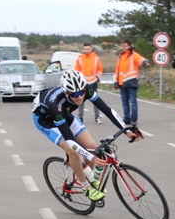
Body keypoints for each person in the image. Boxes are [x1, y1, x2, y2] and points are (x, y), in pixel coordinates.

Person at [32, 70, 142, 200]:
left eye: (81, 92)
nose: (79, 97)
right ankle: (85, 186)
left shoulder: (85, 90)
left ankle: (86, 176)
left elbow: (106, 110)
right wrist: (91, 157)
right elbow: (70, 141)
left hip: (64, 115)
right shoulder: (55, 105)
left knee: (92, 146)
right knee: (73, 152)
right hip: (45, 120)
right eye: (75, 94)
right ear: (66, 93)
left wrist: (127, 131)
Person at [115, 39, 150, 130]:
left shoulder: (133, 55)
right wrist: (116, 80)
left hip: (131, 82)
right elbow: (117, 70)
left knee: (133, 102)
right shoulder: (121, 56)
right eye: (122, 46)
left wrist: (145, 62)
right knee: (125, 103)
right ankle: (127, 119)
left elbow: (139, 59)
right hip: (122, 83)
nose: (123, 48)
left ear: (129, 46)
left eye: (125, 46)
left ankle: (134, 119)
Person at [74, 43, 104, 125]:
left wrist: (98, 77)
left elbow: (100, 69)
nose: (86, 50)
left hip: (93, 82)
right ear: (83, 49)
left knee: (95, 100)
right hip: (83, 83)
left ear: (91, 49)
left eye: (88, 49)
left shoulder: (96, 58)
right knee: (81, 100)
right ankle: (80, 117)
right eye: (85, 49)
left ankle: (97, 117)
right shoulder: (79, 58)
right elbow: (76, 70)